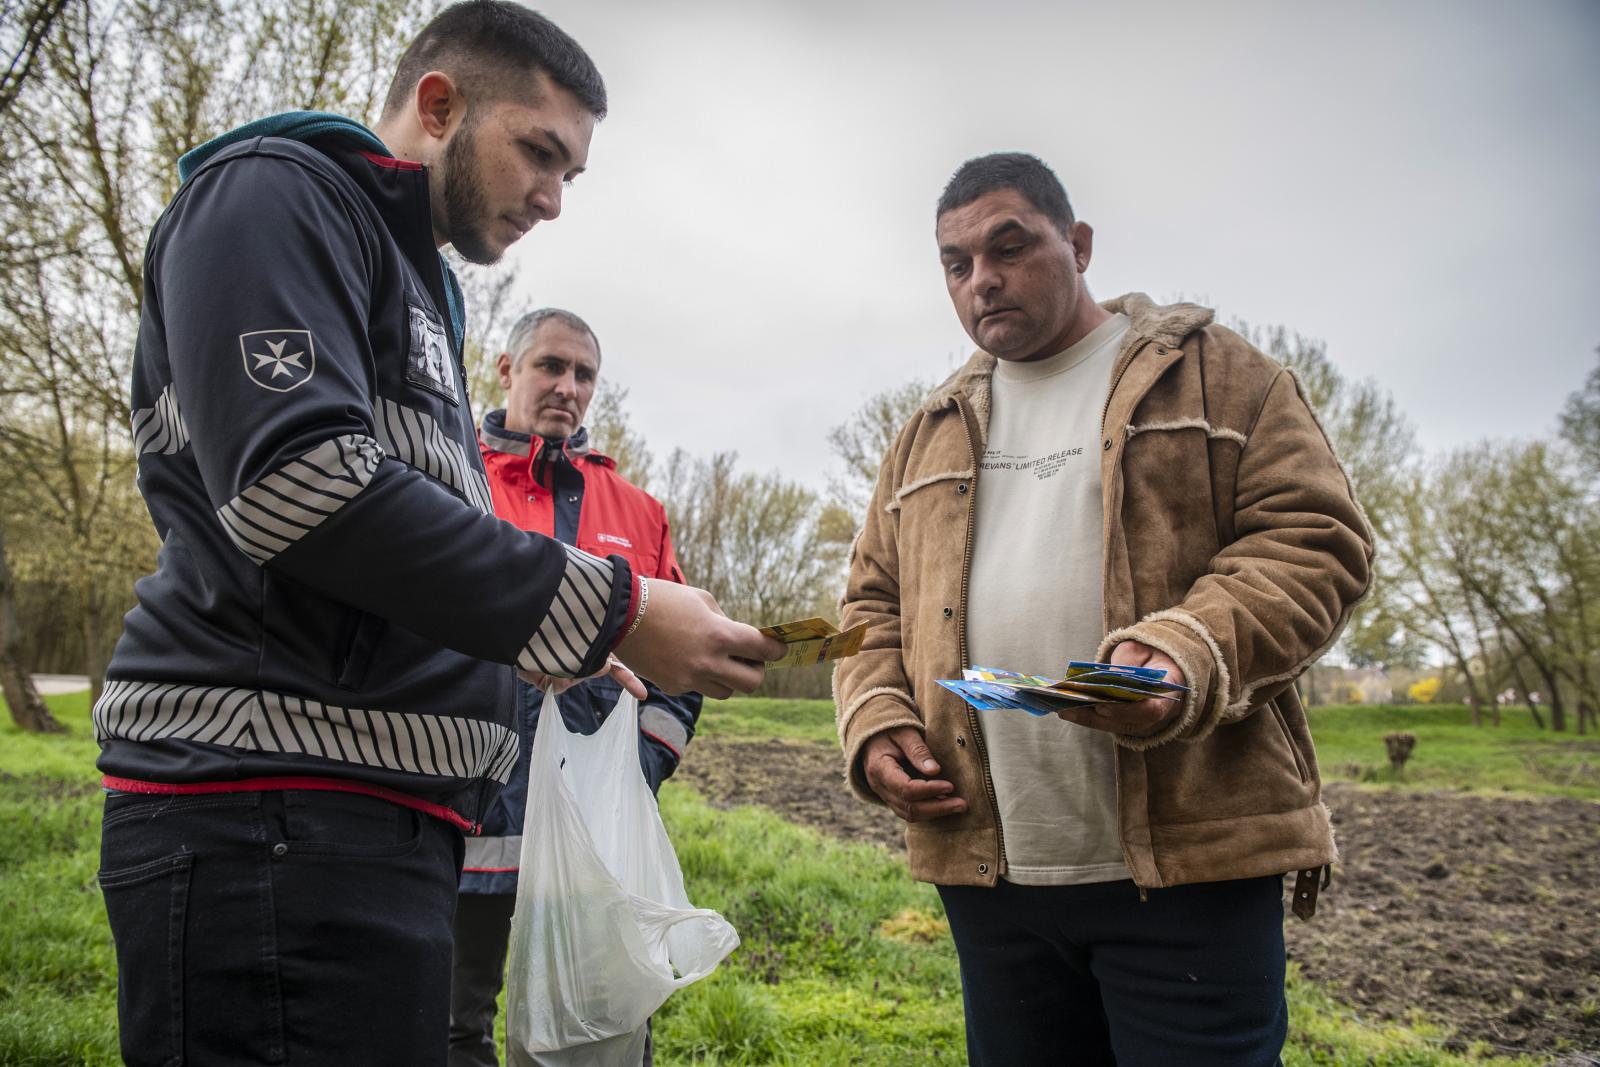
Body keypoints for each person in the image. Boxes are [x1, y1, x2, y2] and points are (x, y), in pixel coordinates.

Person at [93, 5, 783, 1064]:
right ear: (439, 104)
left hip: (372, 826)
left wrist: (549, 649)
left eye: (571, 176)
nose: (552, 200)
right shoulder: (276, 190)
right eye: (539, 153)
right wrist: (621, 605)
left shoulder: (418, 279)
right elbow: (296, 485)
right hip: (267, 822)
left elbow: (385, 564)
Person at [834, 152, 1373, 1066]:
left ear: (1079, 245)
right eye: (955, 264)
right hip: (990, 867)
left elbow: (1316, 542)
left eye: (1009, 247)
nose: (982, 280)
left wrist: (1184, 650)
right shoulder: (930, 426)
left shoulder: (1219, 375)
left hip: (1187, 866)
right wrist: (877, 717)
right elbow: (870, 604)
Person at [448, 308, 696, 1067]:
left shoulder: (637, 511)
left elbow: (678, 667)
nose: (567, 386)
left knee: (601, 1019)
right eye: (550, 366)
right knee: (452, 1024)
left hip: (593, 836)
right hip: (461, 819)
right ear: (506, 368)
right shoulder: (451, 478)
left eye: (583, 374)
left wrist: (641, 764)